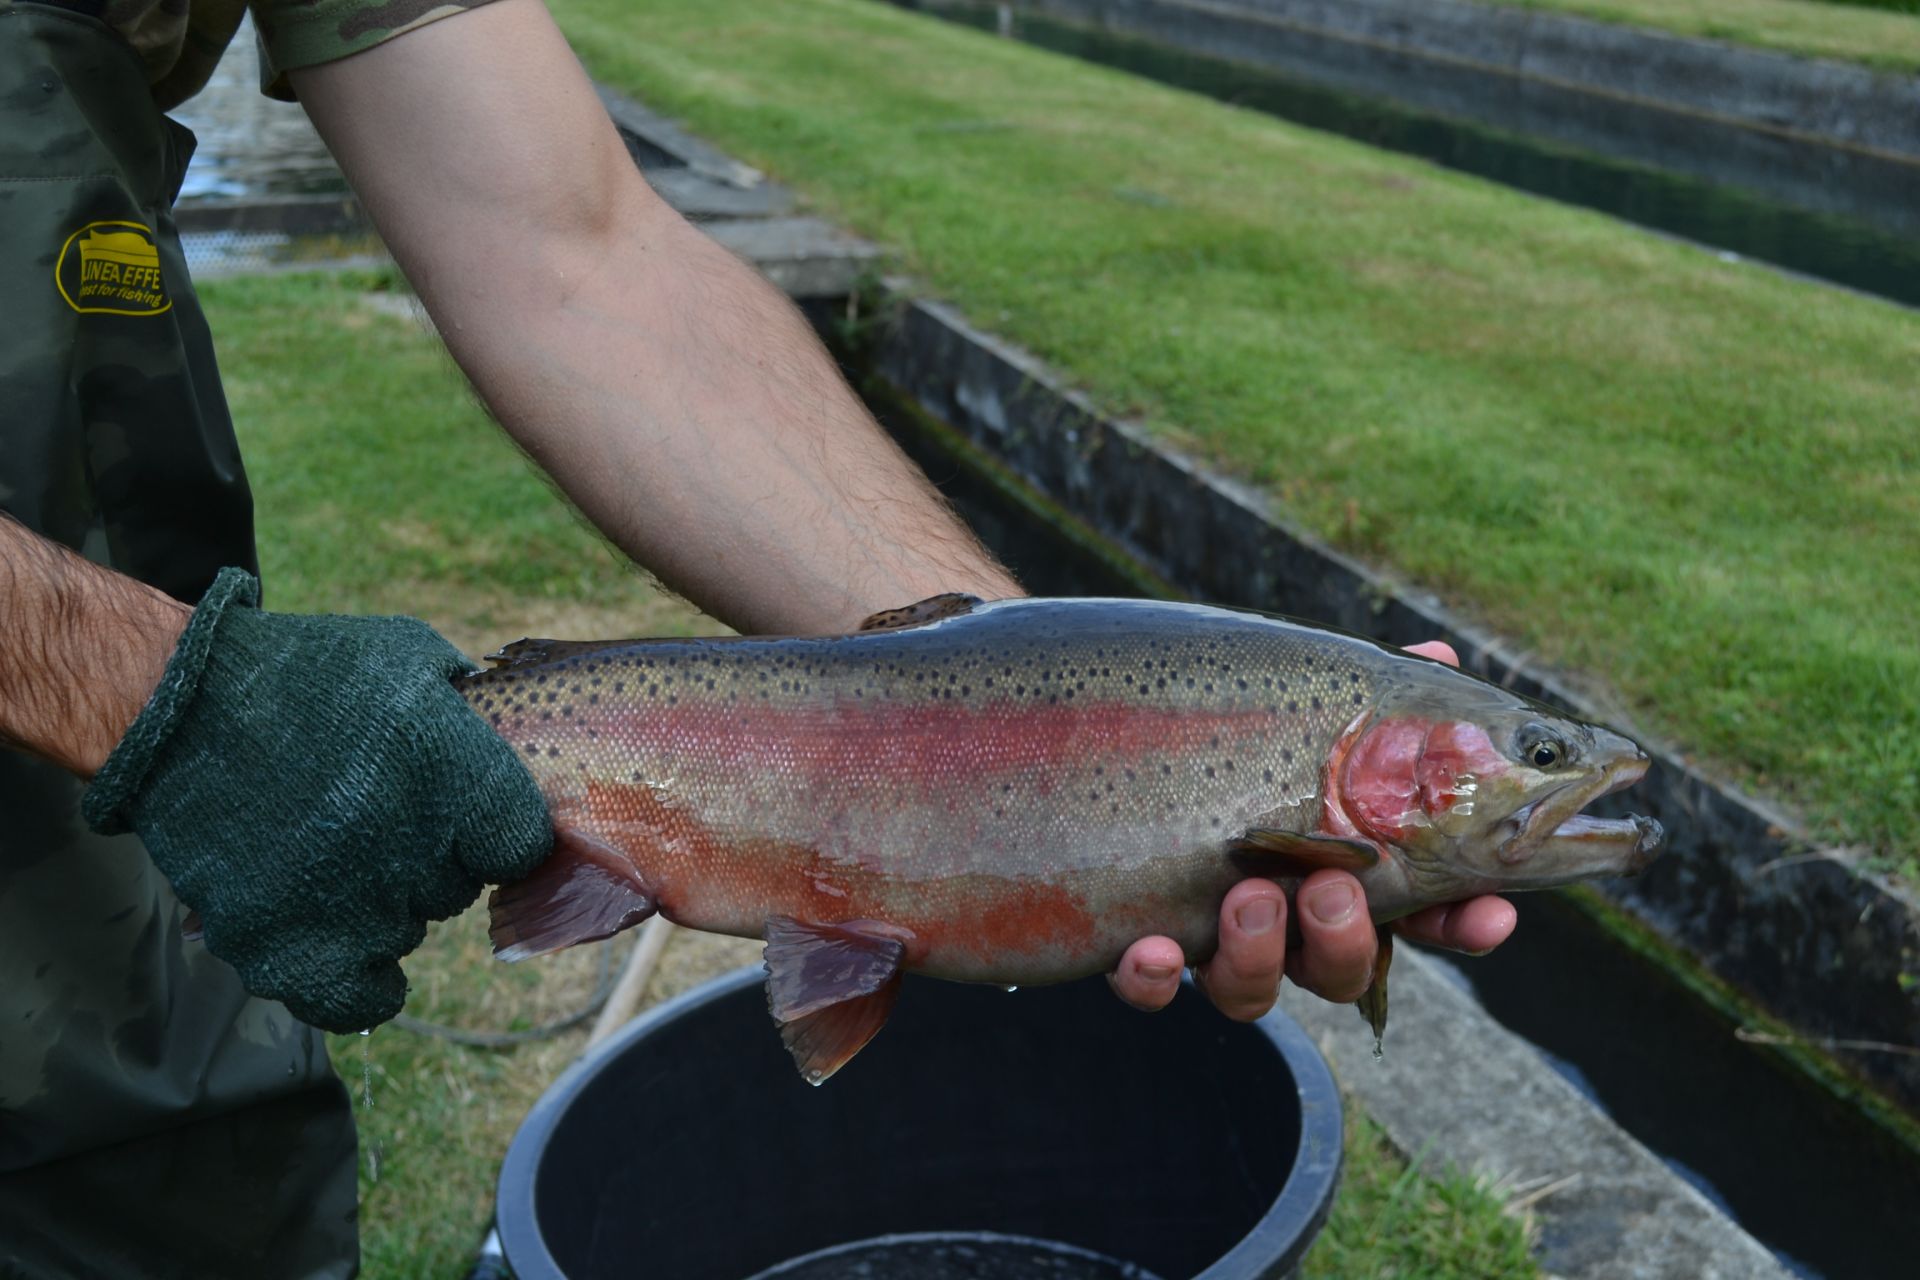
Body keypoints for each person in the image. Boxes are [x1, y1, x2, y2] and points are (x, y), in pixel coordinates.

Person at [0, 0, 1518, 1274]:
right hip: (159, 733)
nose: (1545, 773)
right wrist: (159, 698)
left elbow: (578, 256)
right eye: (1538, 755)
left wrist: (1014, 689)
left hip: (126, 894)